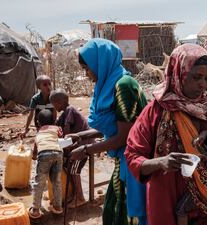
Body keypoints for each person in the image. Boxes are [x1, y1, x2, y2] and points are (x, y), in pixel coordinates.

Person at [125, 44, 207, 225]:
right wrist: (161, 162)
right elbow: (133, 155)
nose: (203, 84)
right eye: (196, 77)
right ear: (178, 73)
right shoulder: (157, 111)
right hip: (169, 200)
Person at [68, 38, 147, 225]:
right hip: (123, 158)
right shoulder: (106, 85)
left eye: (88, 69)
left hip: (134, 161)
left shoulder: (123, 85)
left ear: (100, 62)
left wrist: (87, 150)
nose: (87, 74)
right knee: (113, 212)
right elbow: (112, 126)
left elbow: (124, 136)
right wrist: (80, 136)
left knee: (124, 215)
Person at [50, 89, 91, 208]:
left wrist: (64, 146)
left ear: (59, 102)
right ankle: (73, 194)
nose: (54, 107)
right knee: (67, 166)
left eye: (54, 104)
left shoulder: (70, 110)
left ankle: (80, 198)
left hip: (83, 145)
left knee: (73, 169)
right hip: (79, 144)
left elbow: (67, 130)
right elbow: (57, 125)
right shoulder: (65, 112)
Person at [29, 109, 63, 219]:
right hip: (58, 153)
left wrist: (34, 156)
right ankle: (58, 207)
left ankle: (35, 210)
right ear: (53, 120)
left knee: (39, 183)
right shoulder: (57, 128)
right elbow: (61, 139)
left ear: (38, 123)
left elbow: (34, 151)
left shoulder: (39, 133)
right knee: (56, 181)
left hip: (44, 154)